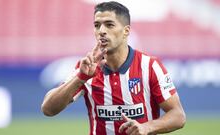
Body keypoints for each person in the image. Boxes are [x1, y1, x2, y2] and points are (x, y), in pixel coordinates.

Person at [41, 1, 186, 135]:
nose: (101, 31)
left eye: (109, 25)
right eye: (97, 25)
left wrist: (147, 127)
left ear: (126, 31)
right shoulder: (86, 67)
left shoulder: (150, 66)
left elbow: (178, 115)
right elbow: (48, 109)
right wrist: (81, 78)